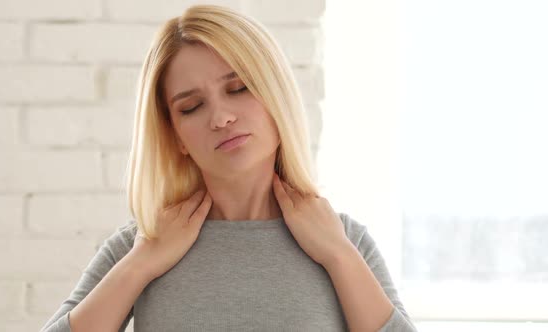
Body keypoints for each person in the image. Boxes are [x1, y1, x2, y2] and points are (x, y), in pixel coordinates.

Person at [41, 4, 417, 332]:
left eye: (238, 88)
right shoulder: (140, 245)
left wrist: (338, 255)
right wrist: (141, 265)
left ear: (275, 95)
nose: (220, 117)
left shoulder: (344, 240)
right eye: (191, 107)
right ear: (176, 138)